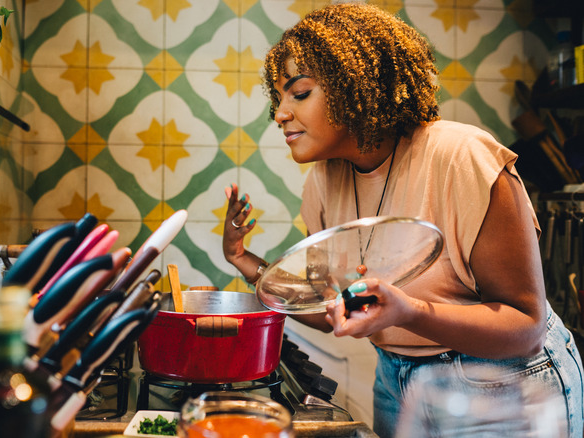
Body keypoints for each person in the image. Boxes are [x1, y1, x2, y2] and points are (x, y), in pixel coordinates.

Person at [222, 4, 584, 437]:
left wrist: (408, 312)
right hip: (397, 378)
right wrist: (244, 260)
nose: (281, 113)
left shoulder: (462, 156)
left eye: (299, 93)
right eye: (277, 98)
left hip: (504, 382)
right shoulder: (322, 181)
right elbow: (334, 307)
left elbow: (523, 327)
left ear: (356, 86)